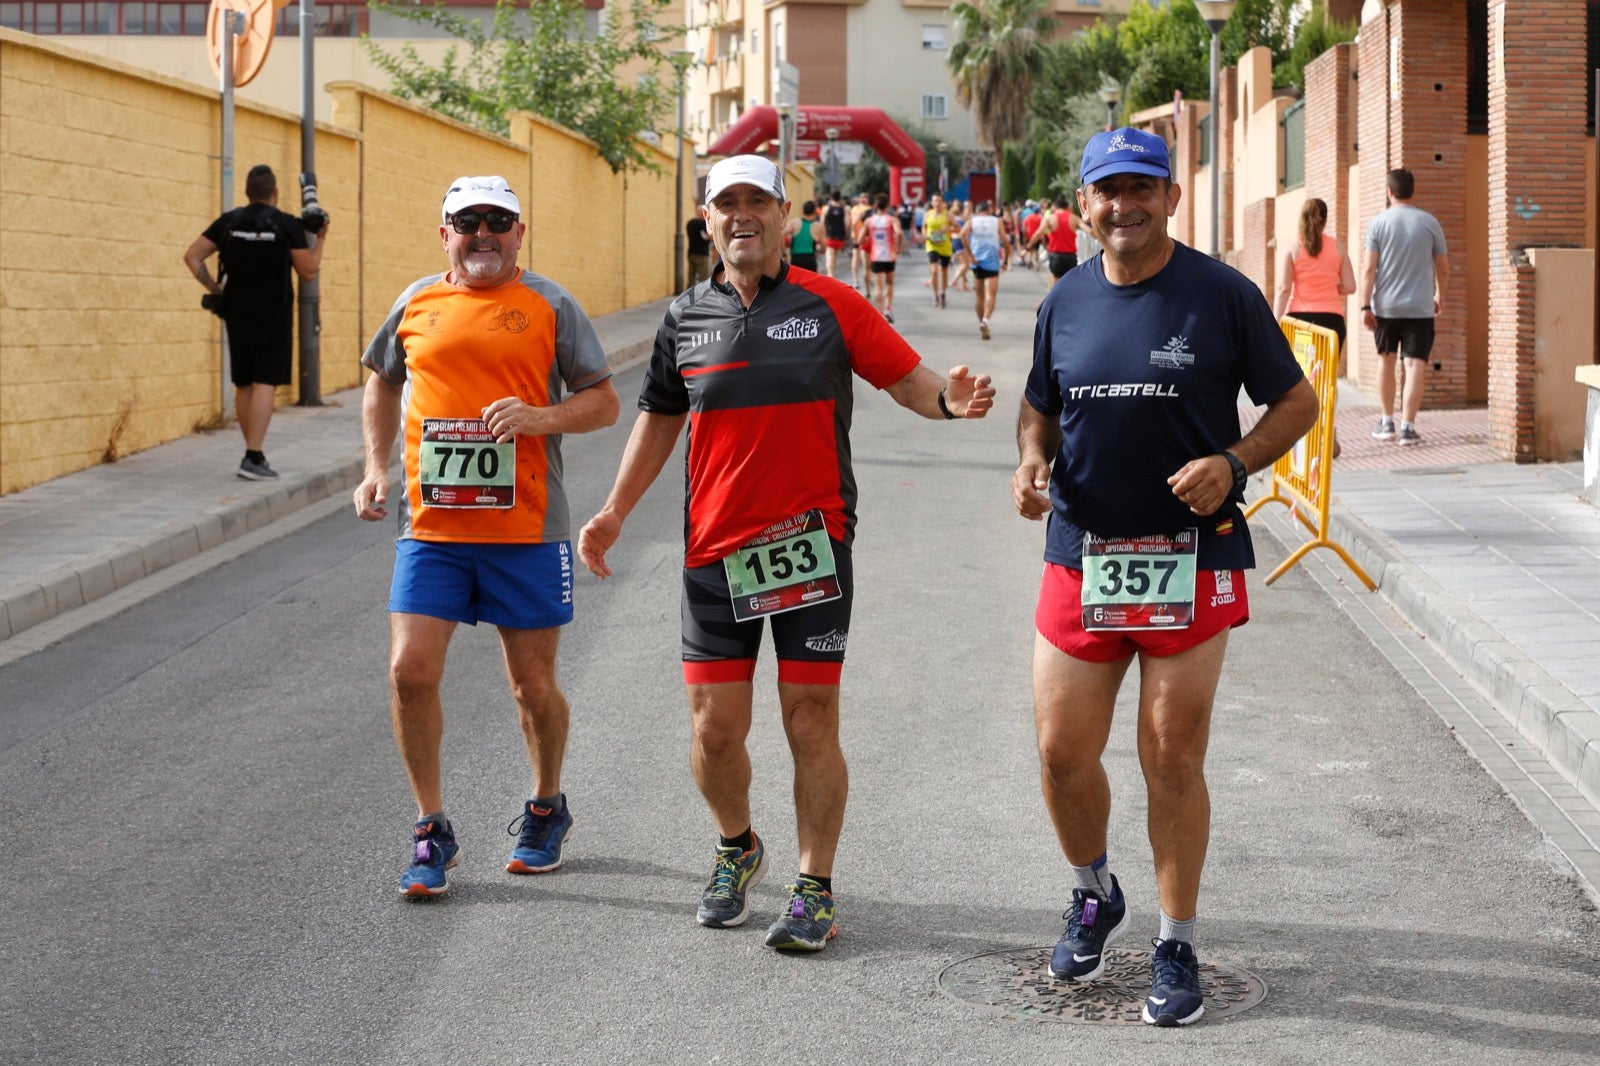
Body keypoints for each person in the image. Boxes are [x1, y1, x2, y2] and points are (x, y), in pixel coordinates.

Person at [576, 155, 995, 954]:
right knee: (715, 731)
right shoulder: (684, 318)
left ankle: (813, 886)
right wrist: (614, 511)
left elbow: (906, 379)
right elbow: (660, 416)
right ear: (707, 220)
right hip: (714, 550)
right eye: (726, 203)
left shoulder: (832, 304)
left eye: (758, 202)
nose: (743, 215)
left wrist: (949, 401)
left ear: (785, 216)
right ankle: (737, 846)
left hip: (811, 546)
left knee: (810, 720)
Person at [1011, 128, 1317, 1027]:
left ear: (1172, 198)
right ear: (1084, 204)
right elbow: (1039, 408)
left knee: (1172, 753)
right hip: (1083, 552)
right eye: (1108, 190)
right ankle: (1094, 892)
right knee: (1061, 753)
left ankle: (1176, 941)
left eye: (1142, 188)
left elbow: (1297, 401)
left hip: (1191, 552)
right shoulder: (1064, 299)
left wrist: (1235, 460)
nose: (1125, 205)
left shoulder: (1222, 295)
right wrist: (1030, 460)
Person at [353, 175, 622, 897]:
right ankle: (430, 828)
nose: (482, 234)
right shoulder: (416, 301)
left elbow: (604, 402)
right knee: (410, 672)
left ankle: (546, 805)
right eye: (467, 221)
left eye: (497, 222)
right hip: (432, 528)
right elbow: (381, 379)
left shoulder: (550, 304)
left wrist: (540, 418)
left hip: (526, 529)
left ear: (519, 233)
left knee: (531, 686)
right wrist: (376, 466)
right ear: (444, 233)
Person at [183, 163, 328, 481]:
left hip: (236, 312)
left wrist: (216, 289)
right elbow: (308, 270)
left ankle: (252, 452)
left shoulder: (229, 222)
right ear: (275, 192)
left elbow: (192, 256)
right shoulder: (286, 224)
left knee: (244, 382)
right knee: (265, 381)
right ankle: (252, 455)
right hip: (273, 313)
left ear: (248, 192)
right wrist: (320, 237)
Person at [1359, 168, 1448, 447]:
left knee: (1385, 361)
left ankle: (1386, 422)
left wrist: (1365, 305)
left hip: (1386, 308)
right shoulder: (1430, 222)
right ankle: (1408, 428)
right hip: (1420, 307)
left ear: (1389, 192)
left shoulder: (1378, 223)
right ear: (1413, 190)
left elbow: (1369, 268)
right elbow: (1443, 268)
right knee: (1414, 364)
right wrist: (1439, 295)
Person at [1274, 197, 1356, 354]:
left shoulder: (1293, 248)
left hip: (1300, 320)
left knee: (1302, 366)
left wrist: (1275, 322)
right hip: (1332, 321)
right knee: (1326, 368)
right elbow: (1350, 287)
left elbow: (1283, 288)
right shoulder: (1338, 247)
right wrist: (1331, 287)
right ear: (1325, 221)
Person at [960, 200, 1006, 340]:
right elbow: (1005, 240)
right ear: (989, 211)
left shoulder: (972, 221)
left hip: (976, 262)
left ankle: (981, 322)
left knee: (979, 296)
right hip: (992, 262)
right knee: (990, 295)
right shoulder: (996, 221)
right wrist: (1007, 260)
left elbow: (962, 234)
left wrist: (970, 255)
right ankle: (985, 320)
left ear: (977, 211)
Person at [858, 192, 900, 322]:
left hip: (875, 257)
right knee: (889, 283)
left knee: (878, 287)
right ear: (888, 205)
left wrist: (866, 240)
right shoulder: (892, 220)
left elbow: (859, 240)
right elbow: (899, 233)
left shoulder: (869, 221)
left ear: (876, 205)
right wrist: (898, 247)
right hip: (889, 256)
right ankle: (888, 309)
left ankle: (880, 314)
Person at [1030, 196, 1084, 288]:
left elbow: (1039, 232)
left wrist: (1028, 246)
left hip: (1056, 255)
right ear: (1066, 207)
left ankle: (1055, 296)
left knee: (1055, 284)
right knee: (1070, 284)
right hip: (1070, 256)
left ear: (1055, 206)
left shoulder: (1050, 218)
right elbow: (1089, 230)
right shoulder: (1074, 218)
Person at [923, 193, 954, 308]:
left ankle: (943, 294)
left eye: (939, 201)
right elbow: (924, 227)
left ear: (943, 203)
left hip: (944, 246)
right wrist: (925, 235)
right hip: (931, 245)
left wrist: (948, 228)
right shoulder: (927, 214)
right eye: (935, 201)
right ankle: (935, 295)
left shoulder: (948, 215)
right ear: (932, 203)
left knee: (944, 272)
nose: (937, 203)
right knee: (934, 270)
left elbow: (957, 228)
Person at [785, 199, 823, 272]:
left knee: (796, 279)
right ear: (814, 212)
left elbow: (780, 235)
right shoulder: (818, 226)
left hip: (796, 258)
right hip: (810, 258)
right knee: (811, 279)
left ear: (803, 211)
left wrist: (784, 253)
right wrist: (819, 251)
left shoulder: (794, 223)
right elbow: (824, 247)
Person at [822, 191, 849, 278]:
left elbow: (822, 223)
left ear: (831, 197)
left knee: (829, 255)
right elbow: (847, 224)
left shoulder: (826, 208)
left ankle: (830, 275)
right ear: (840, 198)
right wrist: (844, 234)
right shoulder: (844, 209)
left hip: (829, 236)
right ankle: (832, 273)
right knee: (835, 255)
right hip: (840, 237)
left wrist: (823, 235)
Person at [686, 214, 713, 287]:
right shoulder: (703, 223)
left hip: (691, 253)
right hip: (702, 255)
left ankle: (689, 293)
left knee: (691, 280)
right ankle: (704, 294)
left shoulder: (690, 223)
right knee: (704, 280)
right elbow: (710, 236)